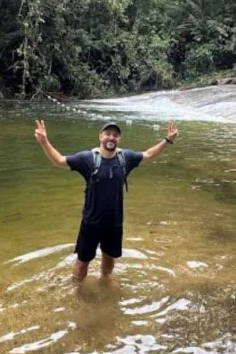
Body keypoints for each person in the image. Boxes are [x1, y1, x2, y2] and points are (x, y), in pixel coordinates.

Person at [34, 119, 178, 281]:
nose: (111, 137)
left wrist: (167, 140)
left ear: (119, 140)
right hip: (91, 223)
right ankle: (78, 289)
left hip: (114, 223)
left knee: (109, 260)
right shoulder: (87, 159)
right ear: (100, 137)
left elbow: (149, 154)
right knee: (83, 261)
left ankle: (105, 283)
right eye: (108, 134)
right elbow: (60, 161)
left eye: (115, 135)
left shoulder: (126, 158)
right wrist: (44, 142)